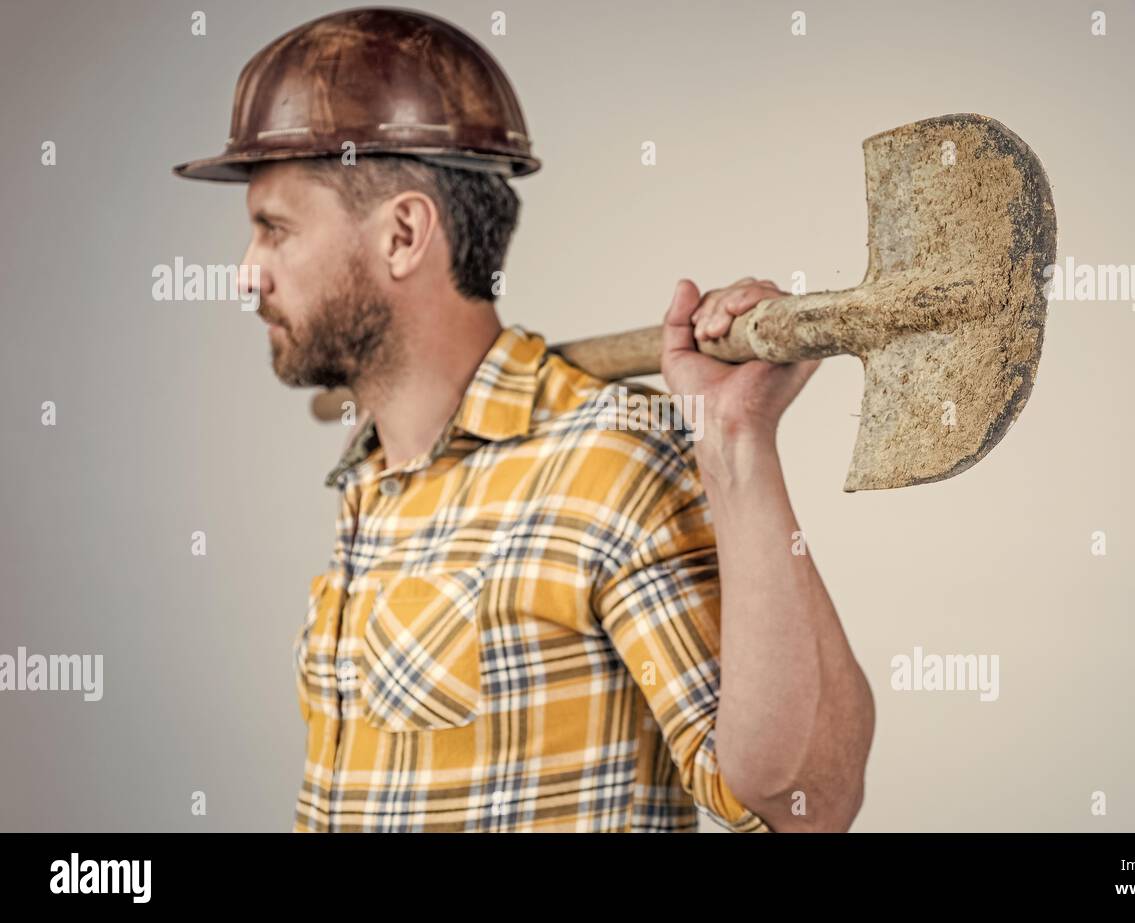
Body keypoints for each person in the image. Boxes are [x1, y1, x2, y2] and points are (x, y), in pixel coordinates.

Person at [175, 7, 873, 833]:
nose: (245, 276)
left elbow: (804, 802)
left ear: (403, 233)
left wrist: (734, 443)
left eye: (274, 229)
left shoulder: (607, 461)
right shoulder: (373, 477)